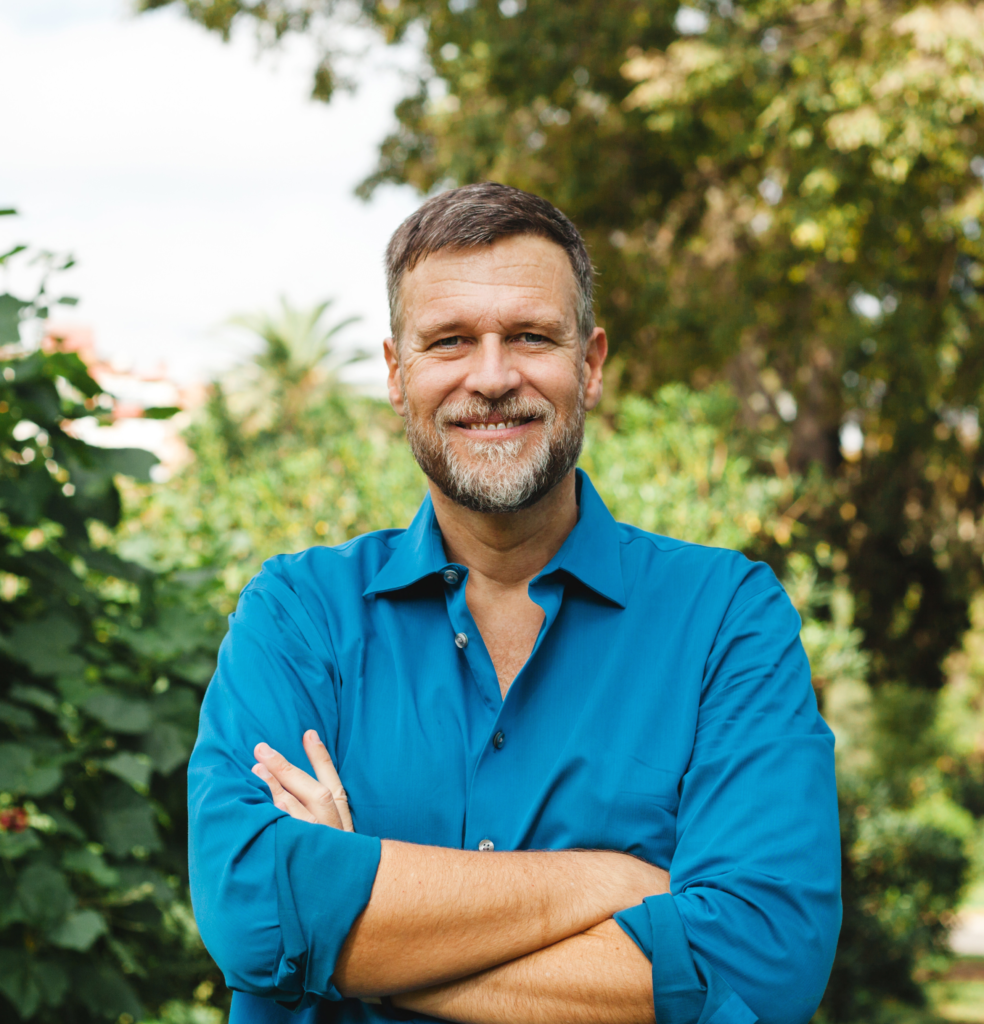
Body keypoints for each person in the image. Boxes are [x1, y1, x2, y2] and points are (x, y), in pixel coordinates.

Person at [188, 182, 841, 1024]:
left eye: (530, 336)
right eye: (449, 341)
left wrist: (353, 926)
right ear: (397, 373)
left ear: (590, 363)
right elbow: (253, 917)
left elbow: (762, 960)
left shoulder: (726, 619)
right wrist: (609, 883)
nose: (492, 377)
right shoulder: (297, 615)